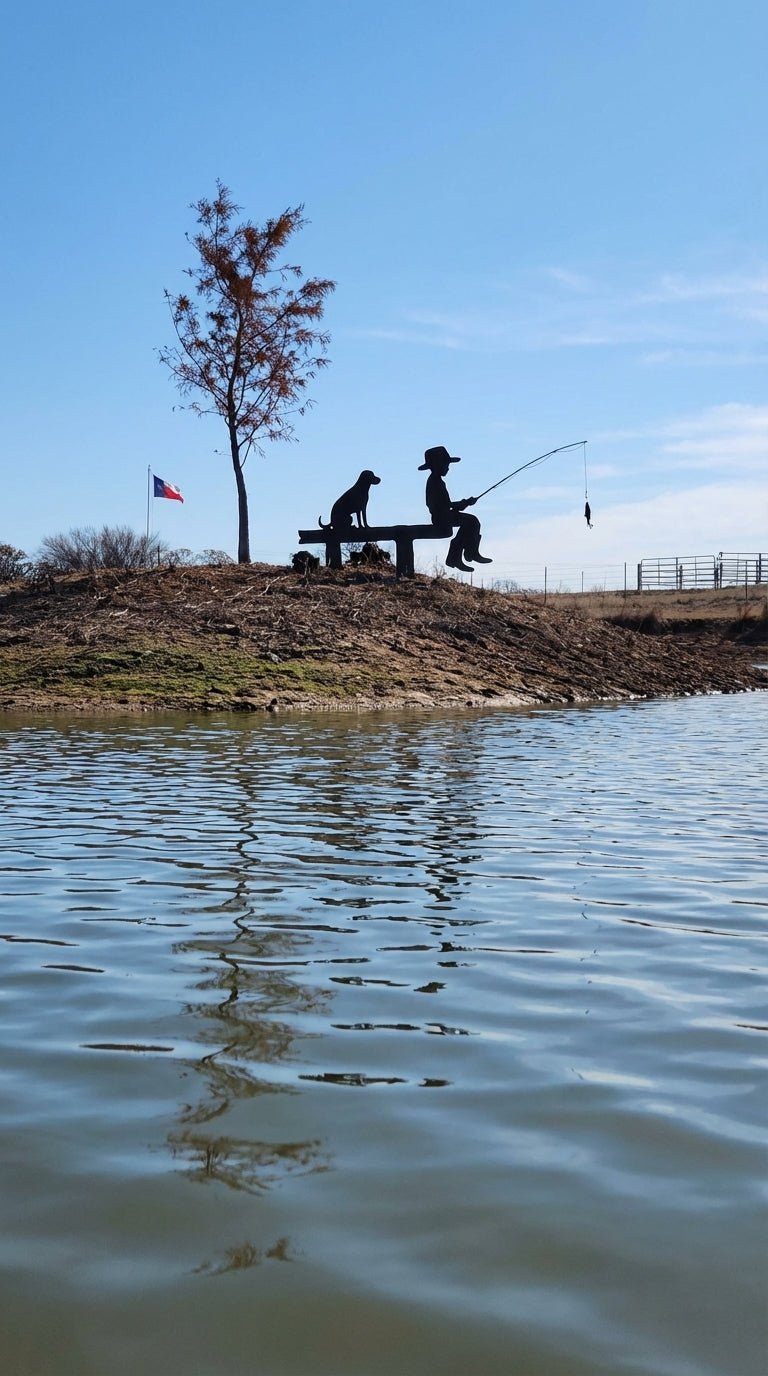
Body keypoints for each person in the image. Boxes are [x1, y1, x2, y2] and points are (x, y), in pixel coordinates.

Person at [419, 446, 492, 572]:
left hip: (444, 515)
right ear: (437, 465)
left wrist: (462, 504)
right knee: (471, 521)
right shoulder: (434, 482)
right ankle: (464, 554)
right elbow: (438, 504)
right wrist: (460, 505)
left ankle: (468, 553)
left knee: (472, 521)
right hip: (440, 518)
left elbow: (445, 504)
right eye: (445, 465)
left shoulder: (437, 481)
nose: (447, 468)